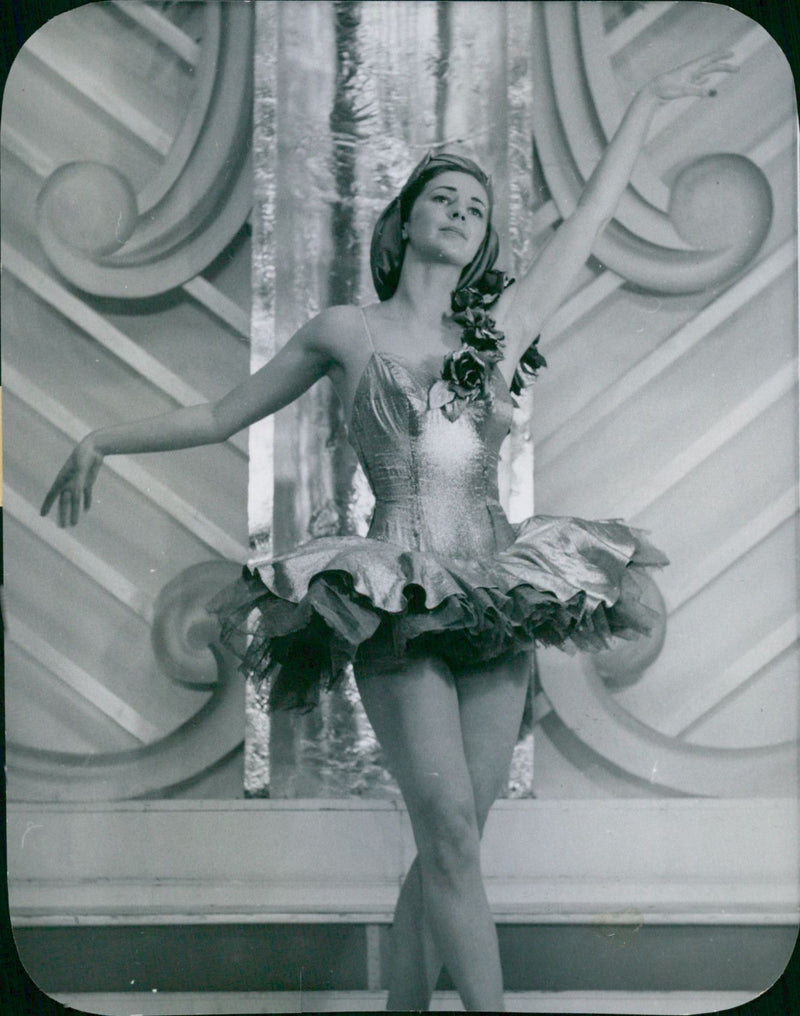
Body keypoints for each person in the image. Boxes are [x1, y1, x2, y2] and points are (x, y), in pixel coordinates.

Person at [42, 52, 735, 1012]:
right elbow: (216, 417)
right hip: (391, 593)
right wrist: (98, 438)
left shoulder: (498, 334)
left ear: (485, 243)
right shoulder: (344, 331)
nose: (460, 214)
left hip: (496, 586)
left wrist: (647, 107)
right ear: (407, 218)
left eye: (476, 210)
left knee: (459, 839)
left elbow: (586, 230)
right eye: (443, 200)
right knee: (446, 823)